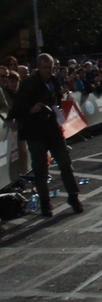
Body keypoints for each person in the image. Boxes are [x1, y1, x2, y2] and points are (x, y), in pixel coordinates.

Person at [8, 54, 83, 217]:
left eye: (50, 68)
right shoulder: (28, 84)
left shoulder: (54, 81)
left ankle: (73, 196)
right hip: (36, 132)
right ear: (38, 68)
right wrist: (30, 109)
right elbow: (15, 109)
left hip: (53, 129)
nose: (48, 71)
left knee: (65, 164)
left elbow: (57, 100)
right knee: (40, 169)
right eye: (45, 68)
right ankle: (45, 203)